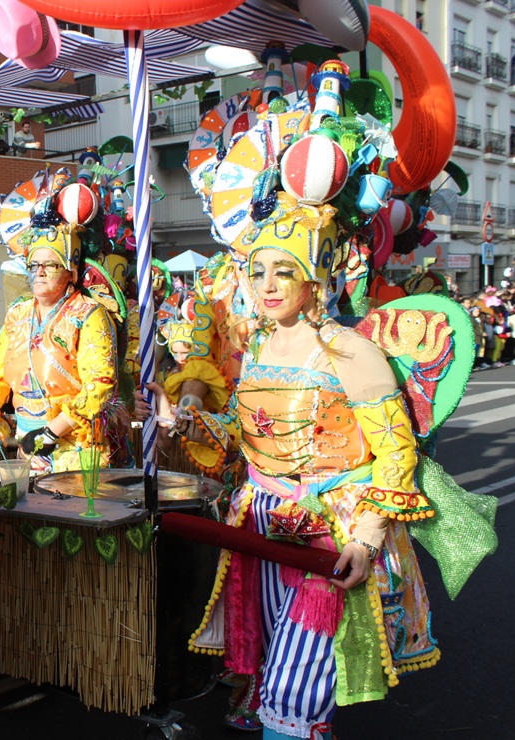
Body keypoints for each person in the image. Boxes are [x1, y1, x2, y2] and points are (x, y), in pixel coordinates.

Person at [186, 204, 441, 739]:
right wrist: (185, 424)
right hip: (260, 528)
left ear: (314, 276)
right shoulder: (258, 348)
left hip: (328, 531)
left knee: (295, 687)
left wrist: (369, 538)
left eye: (284, 270)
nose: (268, 285)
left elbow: (396, 453)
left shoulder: (351, 351)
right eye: (258, 272)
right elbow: (244, 433)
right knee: (269, 669)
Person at [0, 181, 119, 472]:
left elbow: (100, 385)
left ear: (71, 271)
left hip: (75, 449)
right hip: (27, 446)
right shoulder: (18, 314)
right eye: (34, 266)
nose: (41, 273)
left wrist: (53, 431)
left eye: (51, 265)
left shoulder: (88, 314)